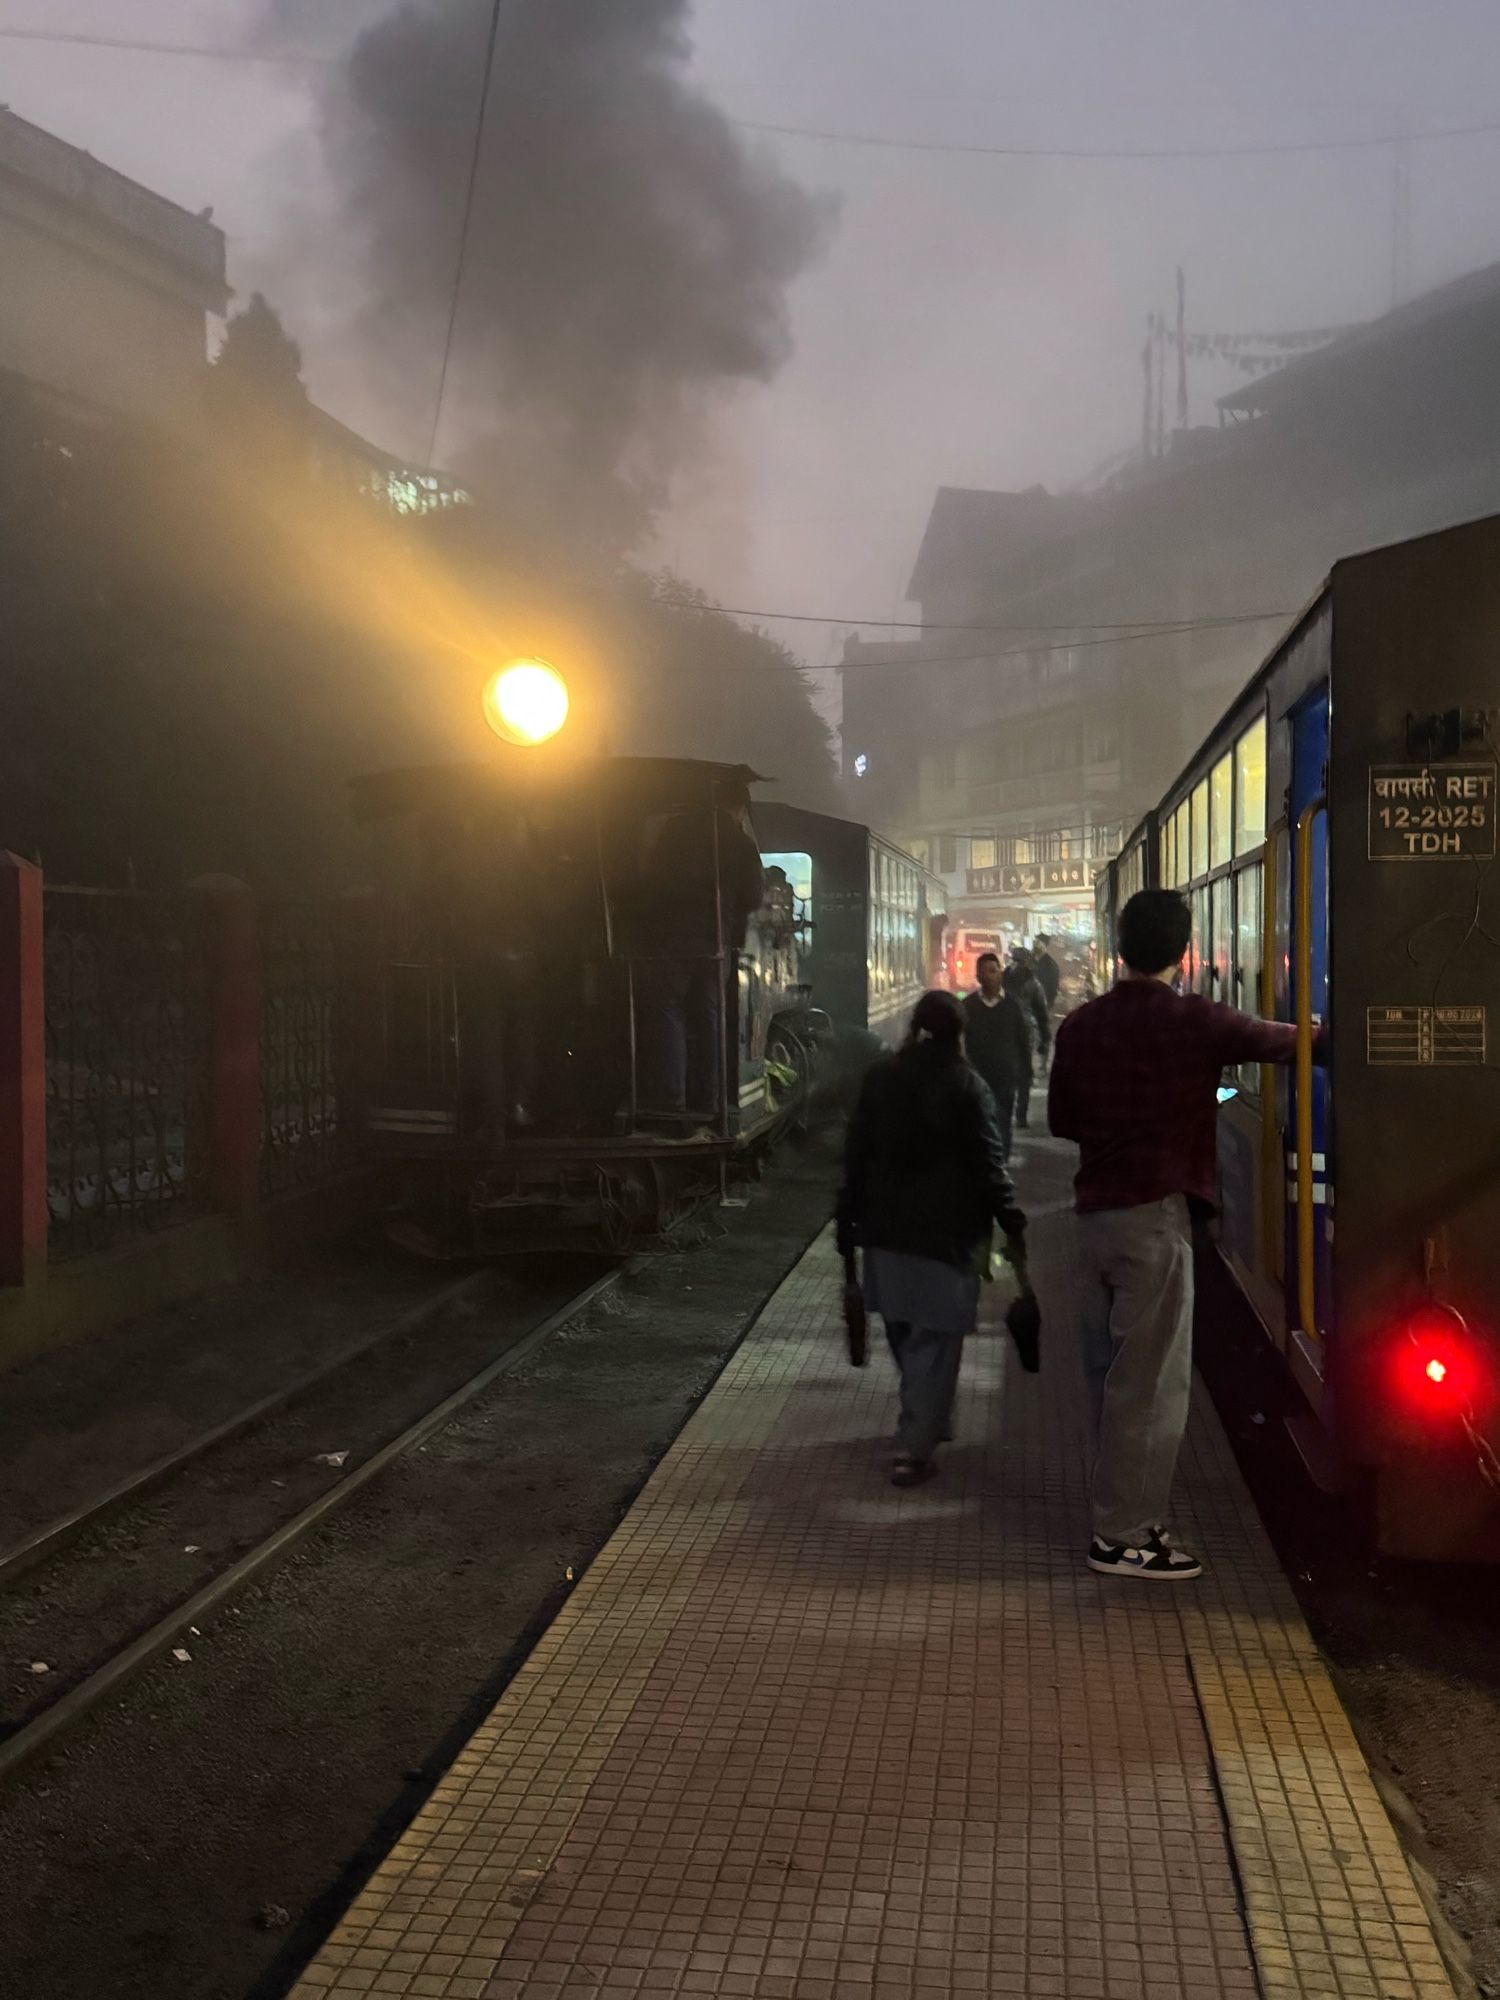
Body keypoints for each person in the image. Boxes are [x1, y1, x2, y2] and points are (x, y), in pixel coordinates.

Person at [1048, 887, 1319, 1581]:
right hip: (1154, 1219)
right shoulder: (1196, 1021)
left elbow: (1062, 1122)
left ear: (1119, 946)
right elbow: (1286, 1044)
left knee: (1109, 1377)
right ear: (1185, 950)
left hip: (1093, 1220)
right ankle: (1125, 1537)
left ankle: (1116, 1512)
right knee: (1150, 1384)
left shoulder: (1079, 1026)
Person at [838, 989, 1027, 1487]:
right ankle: (913, 1449)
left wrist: (845, 1224)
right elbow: (990, 1165)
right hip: (949, 1240)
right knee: (935, 1345)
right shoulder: (968, 1085)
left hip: (885, 1234)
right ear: (958, 1034)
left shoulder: (880, 1079)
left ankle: (928, 1418)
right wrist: (1012, 1221)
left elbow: (854, 1156)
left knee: (906, 1334)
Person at [960, 951, 1032, 1159]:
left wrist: (1025, 1072)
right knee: (979, 1120)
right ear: (978, 977)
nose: (990, 976)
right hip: (977, 1076)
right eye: (985, 972)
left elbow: (1022, 1041)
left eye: (994, 971)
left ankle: (1001, 1162)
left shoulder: (1013, 1005)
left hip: (1005, 1076)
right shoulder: (969, 1006)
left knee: (1002, 1121)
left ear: (1001, 974)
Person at [1003, 951, 1051, 1129]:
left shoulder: (1033, 984)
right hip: (1004, 1034)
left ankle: (1020, 1114)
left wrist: (1044, 1038)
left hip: (1025, 1035)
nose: (1017, 965)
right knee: (1005, 1074)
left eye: (1021, 962)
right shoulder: (1002, 980)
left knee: (1023, 1075)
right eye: (1015, 961)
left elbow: (1041, 1012)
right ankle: (1005, 1111)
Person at [1033, 934, 1063, 1013]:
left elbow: (1052, 987)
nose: (1035, 944)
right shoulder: (1032, 960)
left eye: (1038, 942)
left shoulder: (1050, 965)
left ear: (1044, 945)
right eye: (1035, 942)